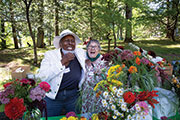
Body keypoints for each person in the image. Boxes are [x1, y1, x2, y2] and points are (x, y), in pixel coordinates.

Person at [37, 29, 86, 117]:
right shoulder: (50, 55)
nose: (70, 43)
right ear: (60, 44)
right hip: (53, 97)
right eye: (67, 41)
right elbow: (42, 77)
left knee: (75, 118)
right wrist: (62, 62)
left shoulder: (80, 53)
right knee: (50, 118)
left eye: (72, 41)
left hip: (73, 96)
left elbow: (93, 54)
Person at [81, 39, 107, 115]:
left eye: (95, 47)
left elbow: (111, 78)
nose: (92, 48)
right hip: (86, 98)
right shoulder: (83, 61)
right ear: (87, 49)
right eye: (90, 47)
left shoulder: (105, 62)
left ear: (99, 49)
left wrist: (103, 74)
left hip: (99, 98)